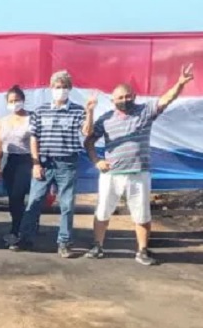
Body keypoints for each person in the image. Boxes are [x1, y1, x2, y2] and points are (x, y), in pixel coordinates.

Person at [83, 64, 194, 265]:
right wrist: (96, 160)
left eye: (128, 96)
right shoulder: (106, 119)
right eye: (120, 98)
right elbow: (88, 138)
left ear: (134, 96)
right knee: (102, 211)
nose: (125, 100)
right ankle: (97, 246)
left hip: (138, 173)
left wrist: (179, 84)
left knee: (142, 214)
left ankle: (142, 251)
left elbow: (166, 99)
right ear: (112, 100)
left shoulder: (145, 112)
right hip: (112, 175)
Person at [9, 70, 87, 258]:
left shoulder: (78, 110)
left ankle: (64, 242)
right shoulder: (40, 111)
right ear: (51, 88)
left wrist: (90, 112)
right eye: (57, 87)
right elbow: (34, 138)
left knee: (67, 205)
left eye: (64, 87)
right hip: (44, 162)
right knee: (34, 202)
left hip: (67, 163)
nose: (61, 90)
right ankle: (25, 238)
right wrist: (35, 163)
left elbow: (87, 131)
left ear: (70, 88)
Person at [0, 85, 33, 245]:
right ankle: (17, 229)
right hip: (9, 162)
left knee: (22, 198)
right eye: (11, 101)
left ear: (23, 100)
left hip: (26, 161)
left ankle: (21, 232)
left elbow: (38, 142)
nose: (14, 103)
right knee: (13, 199)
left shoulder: (32, 118)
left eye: (17, 100)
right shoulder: (3, 121)